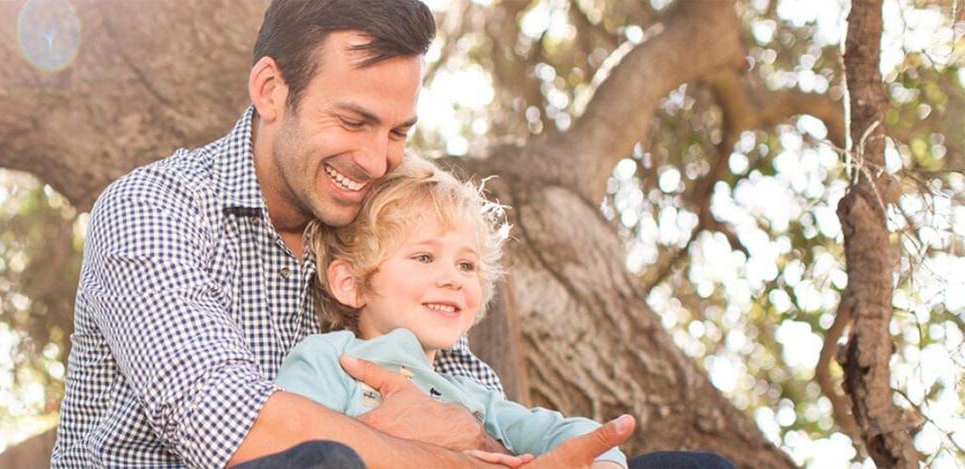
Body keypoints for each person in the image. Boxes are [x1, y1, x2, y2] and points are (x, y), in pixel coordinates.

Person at [50, 0, 634, 467]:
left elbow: (468, 407)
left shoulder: (388, 228)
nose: (377, 160)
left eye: (398, 132)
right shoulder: (155, 207)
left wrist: (484, 439)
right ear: (271, 90)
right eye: (353, 121)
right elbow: (225, 426)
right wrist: (433, 454)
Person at [277, 156, 626, 468]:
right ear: (350, 283)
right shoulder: (329, 358)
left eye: (466, 265)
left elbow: (561, 431)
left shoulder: (472, 398)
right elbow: (288, 443)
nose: (453, 279)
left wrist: (603, 458)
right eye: (424, 257)